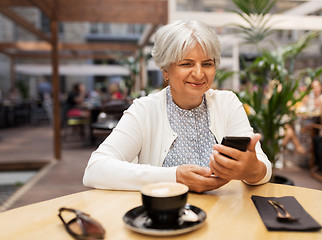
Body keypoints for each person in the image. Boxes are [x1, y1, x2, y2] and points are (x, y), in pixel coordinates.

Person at [83, 20, 272, 193]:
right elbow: (95, 170)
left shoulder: (227, 103)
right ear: (166, 70)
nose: (199, 74)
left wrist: (252, 170)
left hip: (224, 216)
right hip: (166, 218)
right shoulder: (144, 110)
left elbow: (263, 167)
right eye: (186, 63)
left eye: (207, 63)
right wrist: (175, 177)